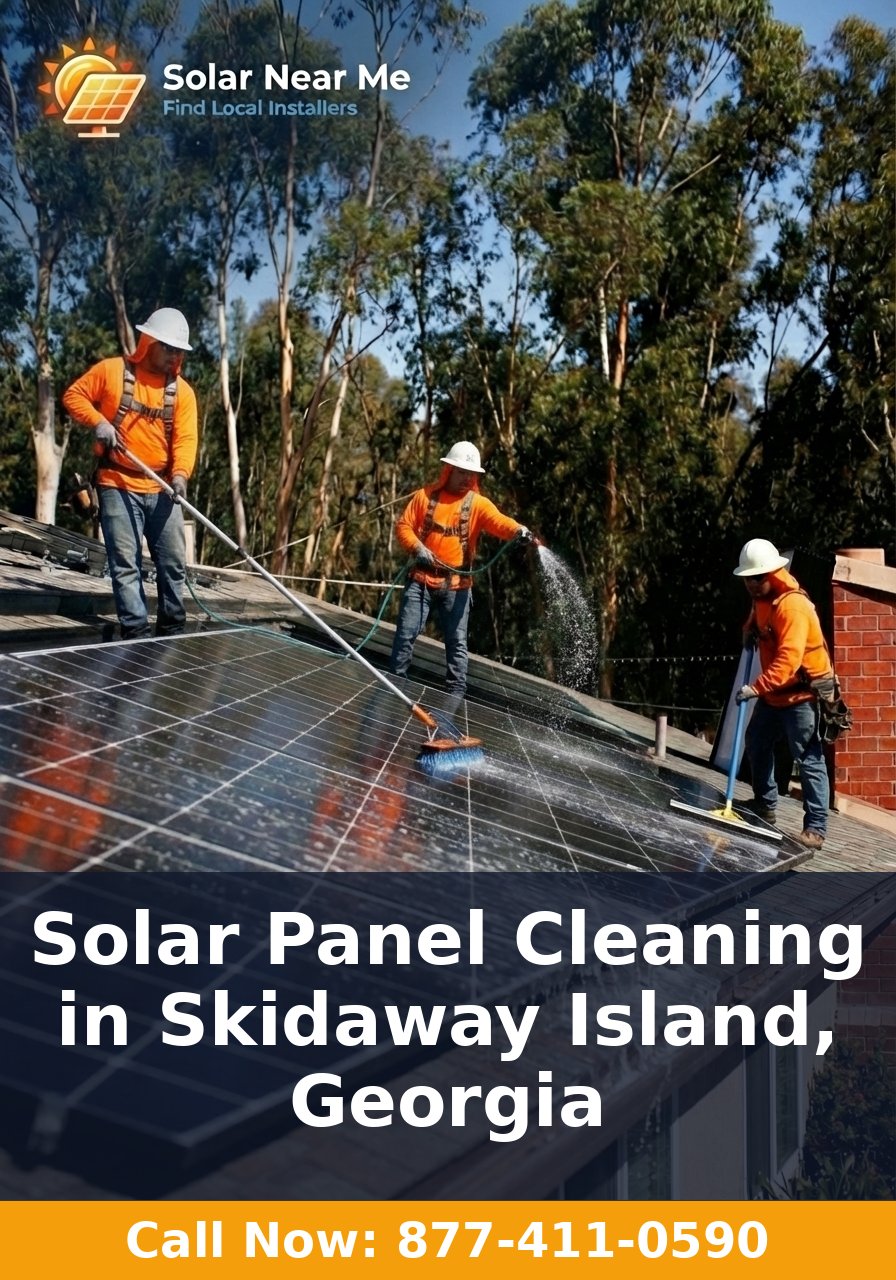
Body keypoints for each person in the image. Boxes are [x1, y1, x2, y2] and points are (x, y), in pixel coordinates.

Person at [63, 308, 198, 639]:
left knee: (172, 565)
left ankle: (171, 632)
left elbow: (185, 439)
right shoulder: (111, 372)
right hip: (117, 483)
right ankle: (137, 636)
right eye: (168, 347)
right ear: (148, 342)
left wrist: (180, 476)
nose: (174, 355)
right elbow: (73, 396)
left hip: (163, 488)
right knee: (126, 563)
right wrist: (99, 422)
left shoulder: (182, 393)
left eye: (179, 350)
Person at [390, 441, 534, 696]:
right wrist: (417, 548)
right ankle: (395, 686)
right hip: (421, 579)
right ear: (448, 470)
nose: (466, 478)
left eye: (471, 473)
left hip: (457, 586)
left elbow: (500, 522)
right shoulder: (425, 496)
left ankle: (456, 696)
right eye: (461, 472)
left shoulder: (477, 504)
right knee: (406, 633)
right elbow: (404, 526)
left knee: (456, 644)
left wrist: (518, 530)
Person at [732, 538, 833, 850]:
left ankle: (815, 828)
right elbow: (757, 618)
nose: (749, 584)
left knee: (808, 757)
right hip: (776, 694)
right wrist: (748, 629)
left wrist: (755, 688)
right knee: (758, 741)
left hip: (800, 695)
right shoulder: (762, 596)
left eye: (755, 578)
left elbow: (788, 662)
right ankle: (765, 804)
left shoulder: (793, 607)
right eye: (747, 578)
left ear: (770, 574)